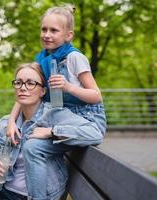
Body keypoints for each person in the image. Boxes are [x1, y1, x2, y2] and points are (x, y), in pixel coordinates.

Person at [0, 62, 102, 200]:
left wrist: (51, 131)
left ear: (42, 91)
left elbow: (95, 133)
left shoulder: (54, 115)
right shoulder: (6, 123)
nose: (23, 88)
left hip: (32, 195)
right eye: (18, 82)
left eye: (31, 83)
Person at [6, 4, 107, 200]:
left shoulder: (74, 58)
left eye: (54, 30)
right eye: (44, 29)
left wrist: (69, 87)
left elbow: (96, 95)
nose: (47, 34)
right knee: (31, 147)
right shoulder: (42, 60)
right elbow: (25, 90)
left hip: (86, 120)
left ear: (68, 35)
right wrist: (11, 121)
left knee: (41, 130)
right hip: (61, 117)